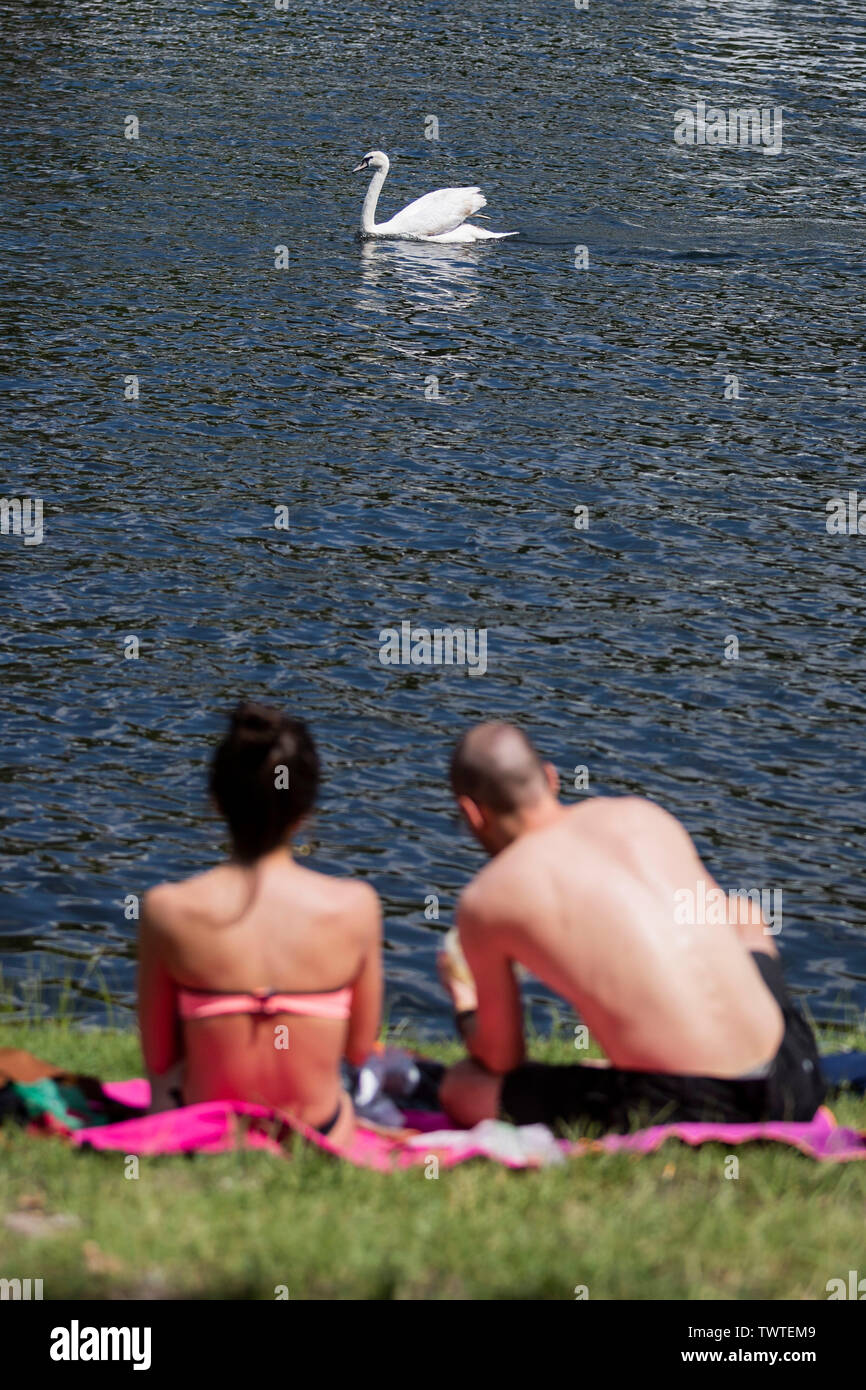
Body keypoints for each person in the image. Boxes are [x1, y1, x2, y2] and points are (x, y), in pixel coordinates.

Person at [438, 721, 825, 1133]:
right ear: (550, 778)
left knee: (463, 1088)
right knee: (743, 916)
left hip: (705, 1105)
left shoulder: (489, 898)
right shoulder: (642, 816)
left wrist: (465, 1003)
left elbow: (502, 1061)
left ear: (472, 812)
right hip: (796, 1074)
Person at [138, 702, 382, 1147]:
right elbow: (360, 1051)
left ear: (216, 803)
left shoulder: (167, 909)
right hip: (319, 1132)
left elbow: (159, 1057)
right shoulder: (356, 906)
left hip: (208, 1130)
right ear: (306, 811)